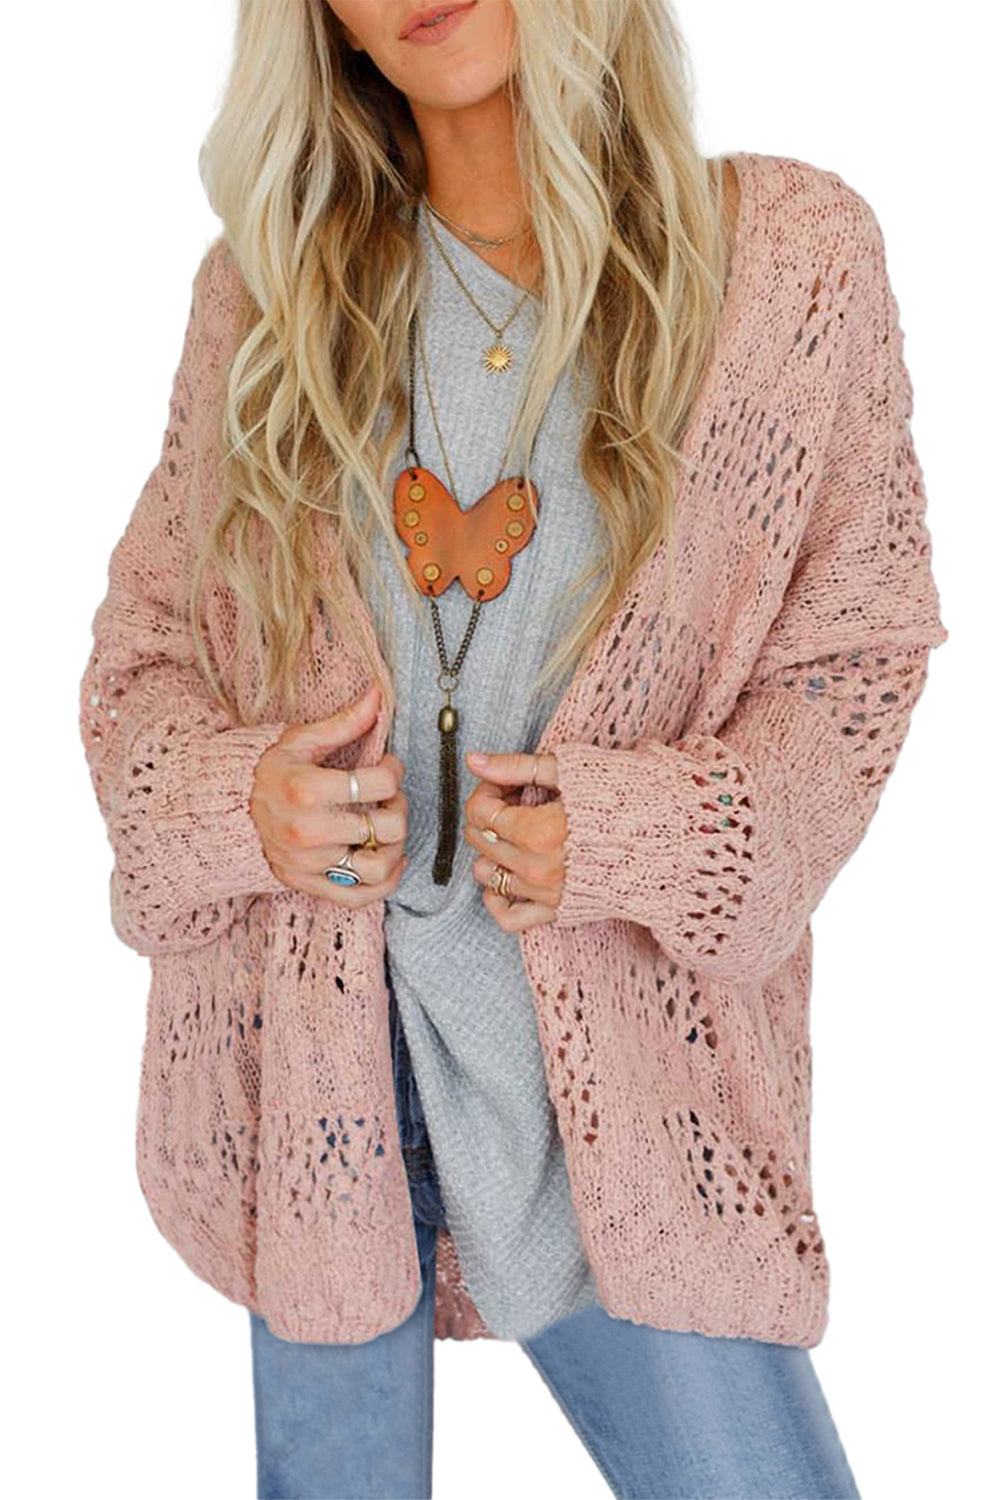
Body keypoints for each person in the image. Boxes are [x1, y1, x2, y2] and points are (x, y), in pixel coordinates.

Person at [79, 1, 949, 1496]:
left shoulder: (786, 261)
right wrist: (245, 804)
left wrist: (638, 834)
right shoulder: (265, 296)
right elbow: (140, 661)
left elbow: (853, 660)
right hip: (322, 1078)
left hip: (627, 1097)